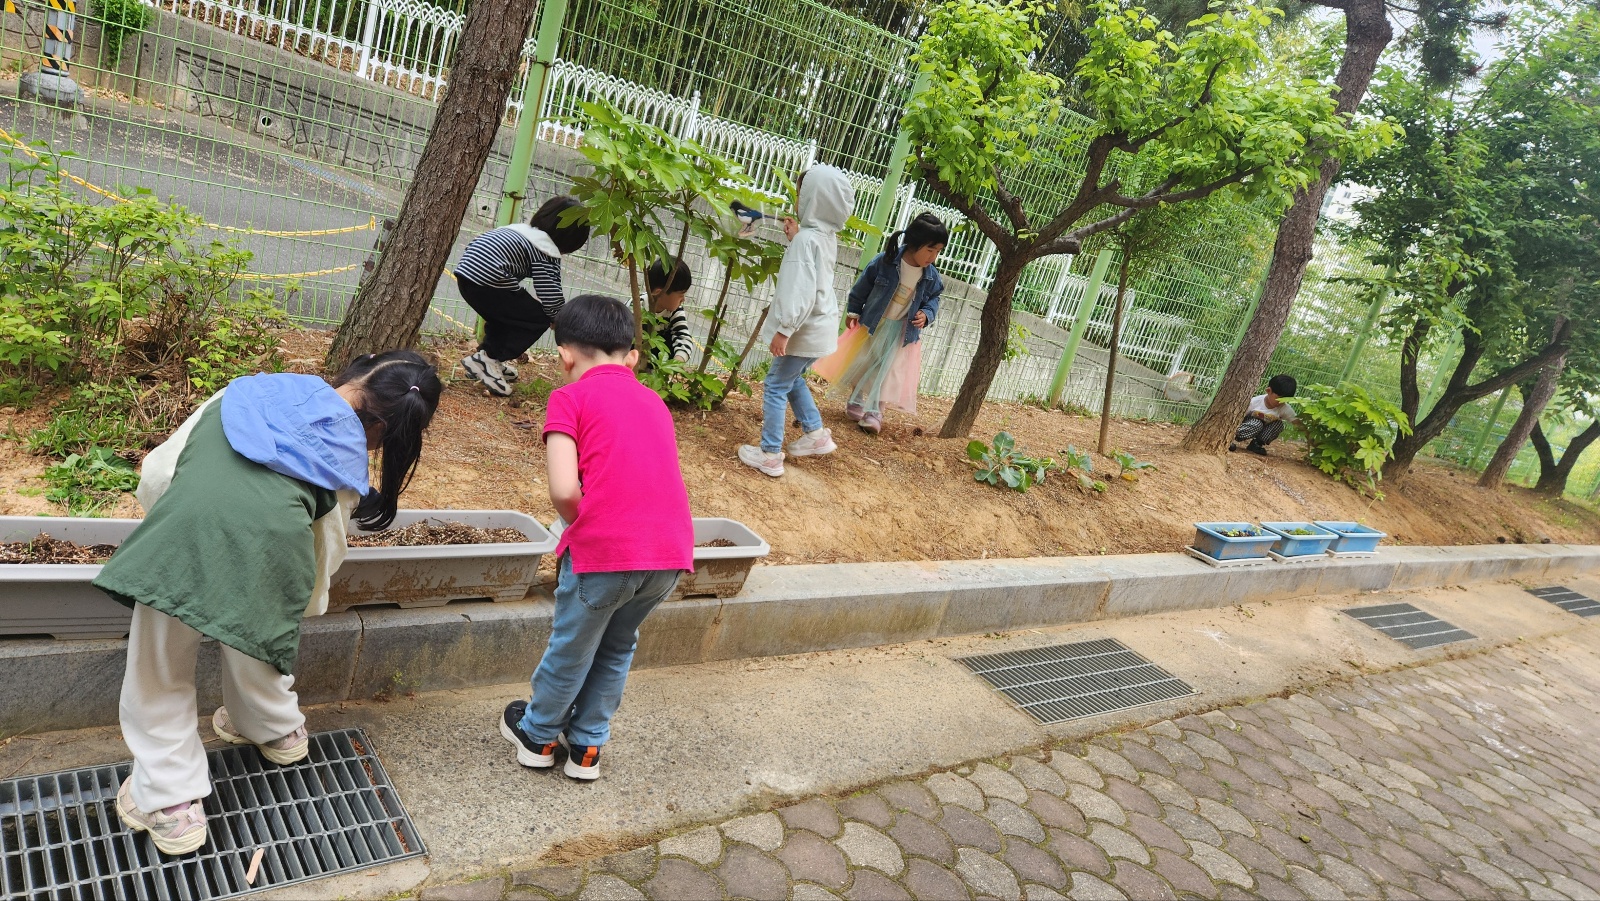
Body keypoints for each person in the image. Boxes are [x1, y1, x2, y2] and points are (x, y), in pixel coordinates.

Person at [97, 351, 442, 855]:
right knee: (257, 637)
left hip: (185, 536)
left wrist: (178, 527)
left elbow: (157, 473)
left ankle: (171, 803)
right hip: (270, 560)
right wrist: (297, 604)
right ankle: (277, 730)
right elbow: (325, 549)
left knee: (159, 669)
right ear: (386, 433)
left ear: (352, 373)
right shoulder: (346, 462)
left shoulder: (246, 392)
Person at [499, 295, 693, 781]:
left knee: (573, 645)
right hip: (668, 552)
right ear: (631, 356)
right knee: (618, 645)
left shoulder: (570, 397)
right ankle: (587, 748)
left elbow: (564, 489)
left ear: (565, 356)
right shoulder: (653, 401)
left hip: (606, 552)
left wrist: (588, 523)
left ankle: (539, 734)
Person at [737, 164, 855, 477]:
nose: (800, 199)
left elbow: (800, 292)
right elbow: (812, 273)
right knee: (792, 379)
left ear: (816, 200)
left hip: (802, 329)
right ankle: (815, 434)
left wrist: (784, 331)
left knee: (775, 384)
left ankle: (770, 454)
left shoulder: (807, 241)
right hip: (820, 329)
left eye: (804, 194)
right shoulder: (824, 237)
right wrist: (796, 237)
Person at [814, 212, 947, 434]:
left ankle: (875, 411)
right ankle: (856, 400)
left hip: (901, 332)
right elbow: (863, 285)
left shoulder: (931, 276)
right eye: (930, 250)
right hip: (874, 325)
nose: (933, 256)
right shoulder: (885, 262)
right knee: (864, 362)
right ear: (914, 244)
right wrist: (854, 310)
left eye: (938, 251)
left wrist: (927, 313)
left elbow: (934, 298)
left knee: (888, 372)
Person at [455, 195, 592, 397]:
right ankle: (488, 359)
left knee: (509, 314)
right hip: (488, 280)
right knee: (536, 318)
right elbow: (551, 295)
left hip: (467, 275)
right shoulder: (546, 249)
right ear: (571, 240)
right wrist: (558, 319)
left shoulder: (521, 231)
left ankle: (486, 358)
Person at [642, 257, 695, 365]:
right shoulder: (637, 306)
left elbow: (683, 337)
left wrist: (673, 365)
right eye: (681, 295)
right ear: (659, 293)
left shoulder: (675, 311)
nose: (683, 300)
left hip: (660, 367)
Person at [1230, 374, 1298, 456]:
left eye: (1285, 400)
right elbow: (1237, 417)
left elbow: (1298, 423)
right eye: (1279, 399)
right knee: (1257, 424)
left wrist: (1313, 441)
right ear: (1268, 391)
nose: (1281, 402)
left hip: (1263, 430)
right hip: (1247, 425)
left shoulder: (1284, 408)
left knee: (1278, 425)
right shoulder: (1254, 402)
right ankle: (1230, 439)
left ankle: (1256, 444)